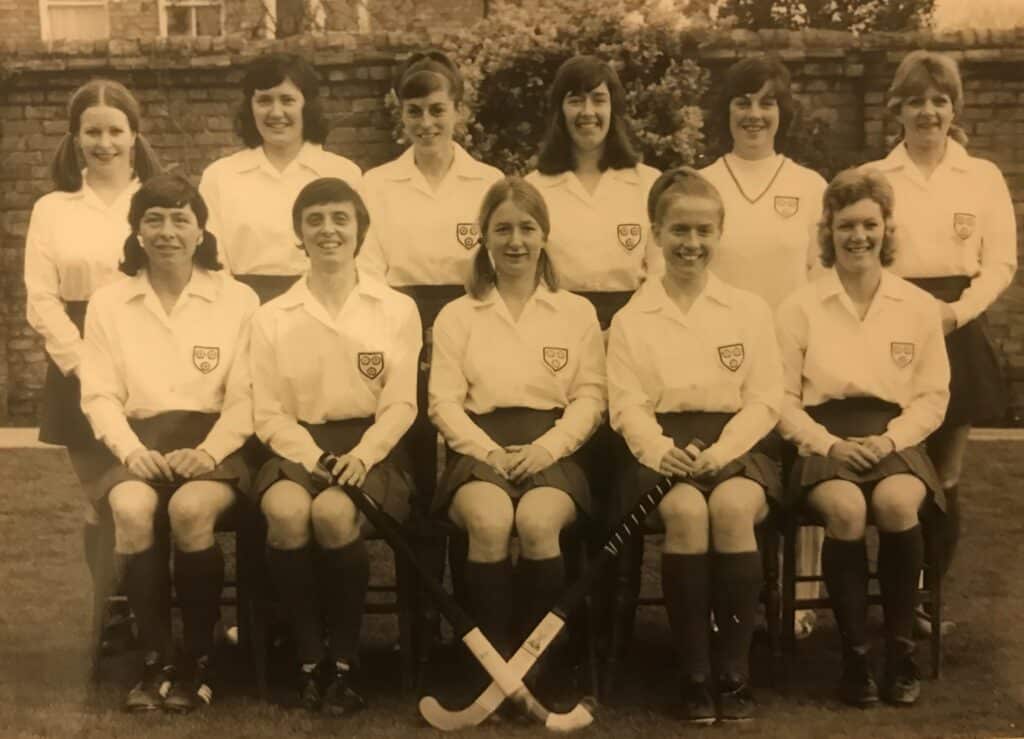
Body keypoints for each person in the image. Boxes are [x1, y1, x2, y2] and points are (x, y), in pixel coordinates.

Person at [607, 167, 782, 723]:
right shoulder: (633, 317)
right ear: (656, 233)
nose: (692, 244)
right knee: (684, 511)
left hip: (737, 445)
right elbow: (627, 405)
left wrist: (727, 449)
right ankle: (695, 673)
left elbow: (765, 399)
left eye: (704, 231)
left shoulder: (749, 310)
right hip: (662, 450)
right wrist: (662, 451)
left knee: (731, 509)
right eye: (679, 230)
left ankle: (734, 671)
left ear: (720, 233)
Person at [80, 173, 259, 713]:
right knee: (132, 508)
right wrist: (132, 450)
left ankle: (199, 657)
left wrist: (209, 452)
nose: (167, 232)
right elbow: (99, 396)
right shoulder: (108, 303)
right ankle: (156, 659)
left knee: (189, 508)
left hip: (217, 445)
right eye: (153, 219)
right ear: (136, 231)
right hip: (140, 443)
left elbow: (250, 396)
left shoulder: (238, 298)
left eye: (181, 218)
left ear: (202, 229)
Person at [776, 168, 950, 707]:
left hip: (893, 439)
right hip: (823, 438)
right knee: (847, 509)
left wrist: (891, 440)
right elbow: (779, 399)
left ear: (886, 229)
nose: (859, 237)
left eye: (870, 225)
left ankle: (899, 652)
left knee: (900, 503)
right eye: (846, 225)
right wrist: (828, 444)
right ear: (828, 232)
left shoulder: (918, 306)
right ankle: (855, 658)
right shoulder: (799, 306)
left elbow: (933, 396)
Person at [249, 177, 421, 716]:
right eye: (315, 220)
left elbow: (401, 404)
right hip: (298, 449)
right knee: (285, 509)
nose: (328, 230)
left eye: (340, 218)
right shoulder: (272, 315)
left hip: (373, 449)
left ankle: (344, 665)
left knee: (331, 513)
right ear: (299, 233)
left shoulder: (395, 308)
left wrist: (362, 456)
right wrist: (313, 457)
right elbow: (268, 412)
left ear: (360, 229)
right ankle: (308, 660)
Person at [428, 176, 605, 699]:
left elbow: (591, 398)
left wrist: (546, 449)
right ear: (483, 238)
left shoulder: (575, 312)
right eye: (502, 229)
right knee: (488, 519)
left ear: (545, 236)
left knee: (535, 520)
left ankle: (540, 664)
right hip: (479, 449)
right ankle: (491, 664)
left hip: (552, 447)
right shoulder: (458, 315)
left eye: (527, 228)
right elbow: (443, 403)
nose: (515, 241)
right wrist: (488, 452)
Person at [863, 50, 1017, 635]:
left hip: (956, 326)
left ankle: (927, 596)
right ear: (896, 108)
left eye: (939, 99)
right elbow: (864, 259)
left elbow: (1000, 264)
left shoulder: (981, 177)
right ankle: (888, 590)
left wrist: (955, 315)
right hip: (890, 329)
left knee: (945, 475)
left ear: (954, 108)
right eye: (916, 100)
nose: (928, 111)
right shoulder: (876, 177)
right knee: (890, 469)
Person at [24, 78, 162, 645]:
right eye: (93, 132)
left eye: (115, 130)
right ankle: (114, 610)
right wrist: (85, 365)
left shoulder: (157, 198)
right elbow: (40, 297)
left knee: (145, 489)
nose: (105, 143)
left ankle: (153, 603)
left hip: (152, 354)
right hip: (80, 360)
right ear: (76, 139)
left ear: (134, 134)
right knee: (103, 497)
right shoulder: (53, 208)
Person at [699, 54, 829, 640]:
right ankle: (724, 603)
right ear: (725, 111)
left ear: (784, 112)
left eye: (767, 103)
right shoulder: (702, 183)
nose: (755, 115)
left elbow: (821, 281)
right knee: (729, 479)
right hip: (719, 358)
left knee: (800, 473)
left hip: (793, 355)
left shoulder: (809, 186)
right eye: (743, 102)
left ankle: (801, 605)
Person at [357, 49, 503, 496]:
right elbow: (369, 267)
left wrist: (460, 326)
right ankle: (413, 555)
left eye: (437, 110)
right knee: (411, 436)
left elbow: (496, 267)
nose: (426, 123)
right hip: (401, 320)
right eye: (414, 112)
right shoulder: (377, 183)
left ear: (459, 109)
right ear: (400, 113)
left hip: (471, 320)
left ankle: (468, 552)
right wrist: (403, 330)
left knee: (469, 442)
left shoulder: (487, 182)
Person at [199, 52, 362, 304]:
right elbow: (212, 260)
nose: (276, 113)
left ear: (306, 106)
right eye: (264, 100)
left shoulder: (342, 173)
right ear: (249, 108)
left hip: (324, 305)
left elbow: (361, 257)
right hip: (242, 308)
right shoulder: (220, 176)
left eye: (287, 100)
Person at [525, 54, 662, 330]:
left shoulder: (648, 183)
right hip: (556, 329)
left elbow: (661, 276)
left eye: (599, 100)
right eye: (575, 100)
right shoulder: (533, 188)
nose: (588, 112)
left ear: (614, 109)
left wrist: (624, 329)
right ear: (560, 112)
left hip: (636, 328)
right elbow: (527, 278)